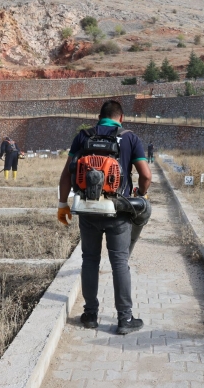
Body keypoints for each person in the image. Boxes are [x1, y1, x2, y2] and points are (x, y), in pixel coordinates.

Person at [57, 100, 152, 335]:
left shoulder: (83, 136)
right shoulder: (129, 137)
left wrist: (62, 204)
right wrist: (140, 194)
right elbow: (146, 175)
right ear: (121, 118)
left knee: (90, 260)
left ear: (99, 117)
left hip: (88, 210)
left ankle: (90, 315)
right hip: (118, 210)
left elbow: (66, 174)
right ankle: (124, 319)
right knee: (120, 262)